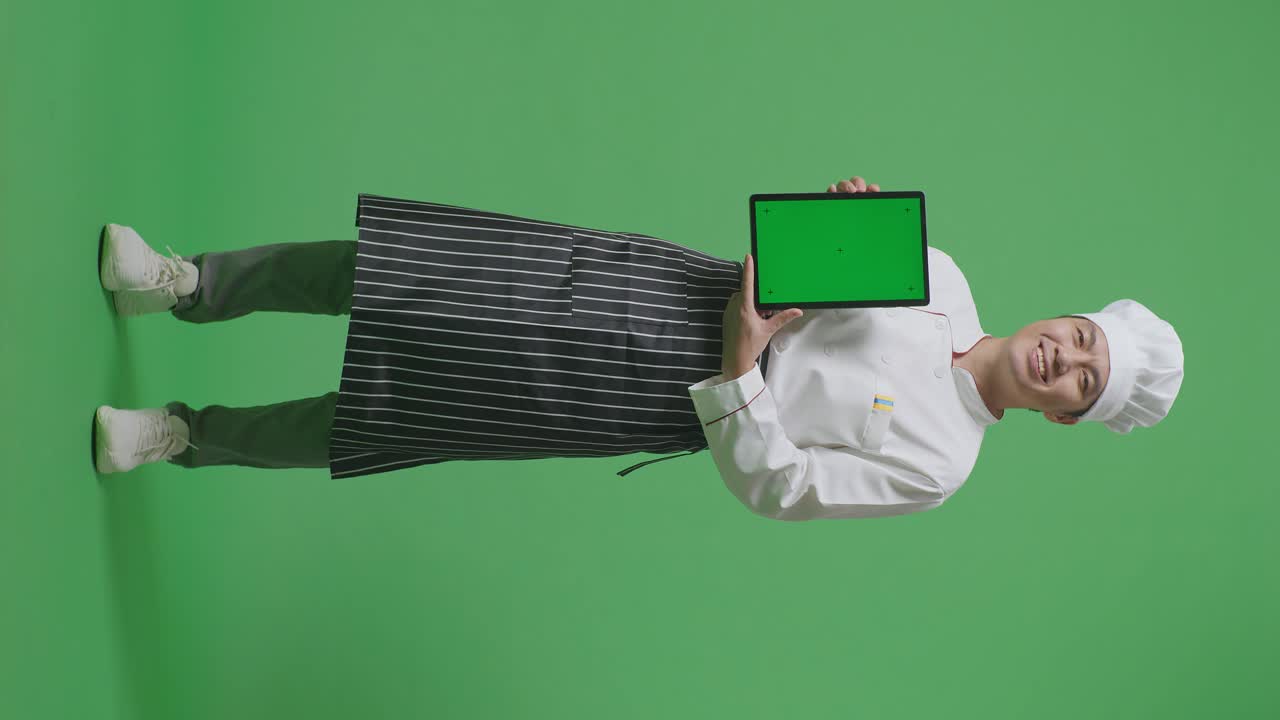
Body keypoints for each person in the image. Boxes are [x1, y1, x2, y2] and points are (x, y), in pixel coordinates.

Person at [93, 176, 1185, 522]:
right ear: (1063, 316)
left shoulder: (941, 466)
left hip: (653, 395)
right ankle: (184, 284)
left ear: (1061, 416)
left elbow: (783, 488)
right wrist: (825, 217)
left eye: (1083, 385)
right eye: (1082, 341)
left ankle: (179, 437)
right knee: (417, 264)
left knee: (406, 406)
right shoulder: (939, 274)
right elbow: (795, 264)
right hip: (657, 282)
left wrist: (738, 368)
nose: (1066, 361)